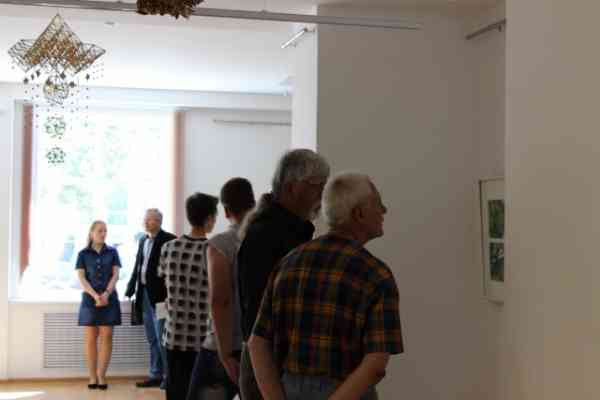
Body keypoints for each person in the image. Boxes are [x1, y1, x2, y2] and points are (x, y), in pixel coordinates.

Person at [249, 173, 404, 400]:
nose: (384, 210)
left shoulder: (288, 263)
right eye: (378, 203)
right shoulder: (376, 275)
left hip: (289, 390)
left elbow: (257, 344)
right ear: (359, 214)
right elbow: (375, 365)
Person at [237, 149, 330, 400]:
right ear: (292, 188)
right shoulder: (267, 234)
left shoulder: (294, 231)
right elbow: (259, 309)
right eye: (317, 186)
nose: (322, 195)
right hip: (269, 360)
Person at [186, 178, 256, 400]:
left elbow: (220, 300)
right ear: (253, 203)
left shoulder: (221, 244)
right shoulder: (268, 239)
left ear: (226, 211)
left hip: (225, 344)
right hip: (260, 344)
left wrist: (225, 354)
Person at [158, 193, 219, 400]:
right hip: (202, 336)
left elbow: (163, 281)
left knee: (175, 390)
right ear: (209, 218)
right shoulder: (213, 251)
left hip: (173, 333)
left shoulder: (168, 248)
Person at [125, 209, 176, 389]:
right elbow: (138, 266)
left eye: (150, 220)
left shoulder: (169, 240)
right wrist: (130, 287)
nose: (146, 222)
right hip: (144, 295)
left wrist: (171, 295)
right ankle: (155, 374)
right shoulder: (143, 240)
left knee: (163, 338)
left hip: (161, 298)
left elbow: (172, 271)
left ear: (159, 222)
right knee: (152, 338)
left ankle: (169, 378)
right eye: (145, 219)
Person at [76, 220, 122, 391]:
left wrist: (106, 294)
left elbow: (116, 275)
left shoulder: (113, 252)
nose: (103, 234)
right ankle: (92, 376)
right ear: (91, 233)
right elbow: (81, 278)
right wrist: (95, 296)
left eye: (105, 231)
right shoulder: (82, 254)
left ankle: (102, 375)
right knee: (90, 339)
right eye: (100, 231)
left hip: (109, 298)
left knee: (107, 336)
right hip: (90, 299)